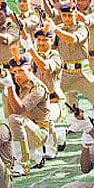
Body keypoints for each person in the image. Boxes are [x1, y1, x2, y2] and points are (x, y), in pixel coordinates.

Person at [0, 50, 50, 177]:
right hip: (25, 129)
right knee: (3, 124)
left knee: (15, 120)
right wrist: (8, 90)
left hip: (39, 132)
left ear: (30, 70)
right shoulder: (19, 86)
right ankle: (30, 156)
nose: (17, 75)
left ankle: (22, 164)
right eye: (15, 72)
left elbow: (19, 110)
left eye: (21, 70)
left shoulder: (38, 88)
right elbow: (11, 114)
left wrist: (10, 86)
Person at [21, 23, 66, 159]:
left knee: (48, 118)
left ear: (52, 41)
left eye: (45, 40)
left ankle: (52, 149)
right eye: (39, 40)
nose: (41, 43)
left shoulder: (56, 56)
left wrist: (30, 49)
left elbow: (45, 66)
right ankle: (59, 135)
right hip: (36, 101)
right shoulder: (30, 57)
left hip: (54, 101)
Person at [49, 0, 94, 108]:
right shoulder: (59, 28)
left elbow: (73, 39)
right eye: (64, 15)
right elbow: (51, 46)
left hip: (82, 73)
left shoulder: (82, 27)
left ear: (76, 14)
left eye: (70, 15)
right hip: (64, 73)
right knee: (50, 99)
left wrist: (54, 29)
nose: (67, 18)